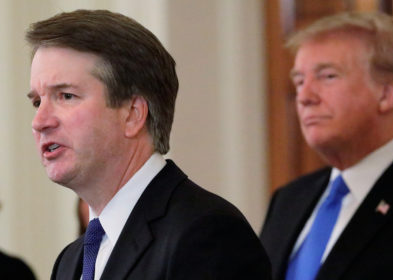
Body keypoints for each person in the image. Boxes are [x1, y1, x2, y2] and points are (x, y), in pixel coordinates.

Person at [26, 9, 271, 280]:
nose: (40, 121)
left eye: (66, 96)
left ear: (132, 114)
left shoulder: (207, 234)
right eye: (37, 101)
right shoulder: (71, 261)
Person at [260, 11, 393, 280]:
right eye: (299, 81)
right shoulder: (288, 200)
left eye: (327, 76)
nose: (304, 97)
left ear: (387, 93)